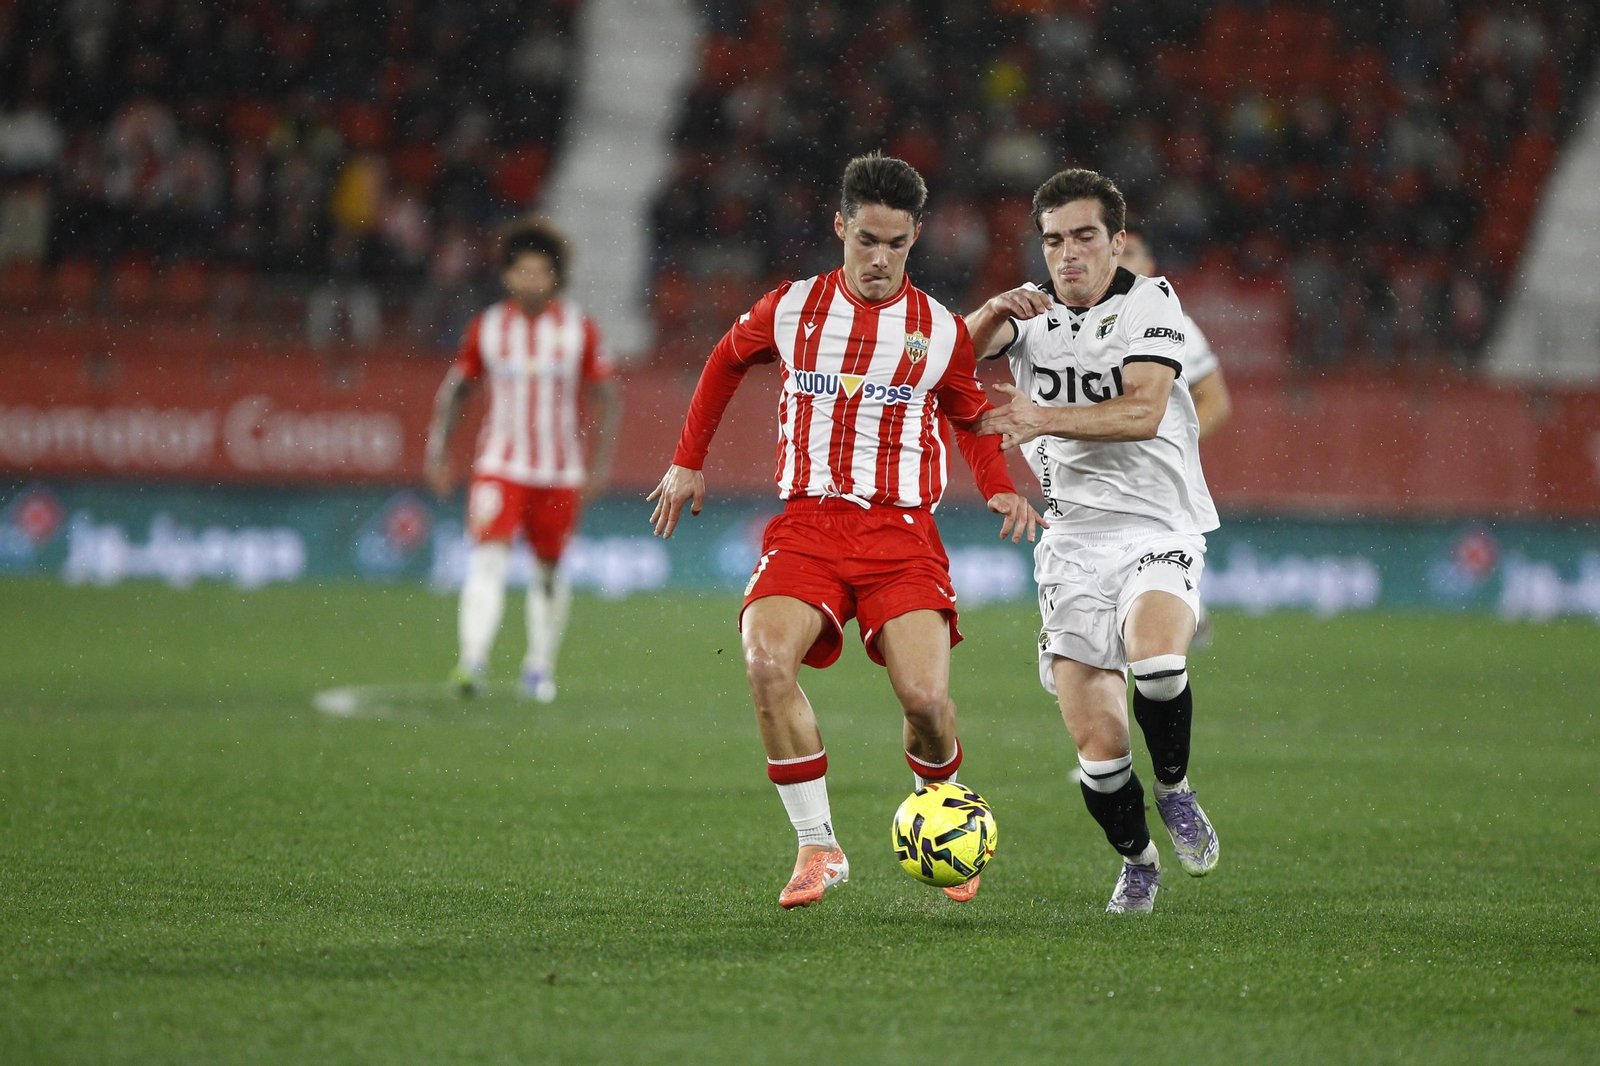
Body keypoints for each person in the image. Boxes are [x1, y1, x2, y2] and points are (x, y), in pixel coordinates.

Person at [648, 152, 1044, 909]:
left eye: (896, 244)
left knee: (925, 702)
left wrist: (999, 488)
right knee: (765, 663)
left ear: (916, 237)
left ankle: (942, 811)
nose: (880, 259)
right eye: (867, 240)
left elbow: (969, 414)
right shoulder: (792, 308)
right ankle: (817, 846)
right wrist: (686, 462)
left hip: (902, 535)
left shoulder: (937, 329)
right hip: (809, 525)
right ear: (840, 227)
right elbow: (725, 360)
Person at [965, 169, 1221, 914]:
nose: (1068, 253)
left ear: (1117, 240)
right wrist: (988, 312)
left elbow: (1143, 412)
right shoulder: (1029, 313)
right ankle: (1138, 861)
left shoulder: (1152, 302)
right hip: (1072, 541)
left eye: (1084, 236)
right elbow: (945, 361)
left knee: (1160, 662)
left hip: (1158, 524)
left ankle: (1174, 789)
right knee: (1101, 757)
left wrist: (1041, 418)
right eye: (1053, 241)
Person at [425, 216, 621, 702]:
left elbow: (606, 396)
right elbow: (457, 391)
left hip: (559, 470)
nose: (531, 280)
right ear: (507, 275)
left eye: (541, 272)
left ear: (555, 277)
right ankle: (472, 661)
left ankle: (538, 666)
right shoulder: (488, 327)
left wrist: (598, 465)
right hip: (500, 466)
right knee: (487, 559)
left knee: (549, 569)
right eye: (523, 271)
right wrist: (438, 452)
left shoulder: (578, 329)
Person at [1119, 226, 1230, 649]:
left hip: (1153, 478)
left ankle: (1177, 609)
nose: (1120, 261)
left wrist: (1167, 443)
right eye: (1115, 252)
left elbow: (1215, 401)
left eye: (1130, 253)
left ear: (1149, 268)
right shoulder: (1073, 324)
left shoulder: (1176, 324)